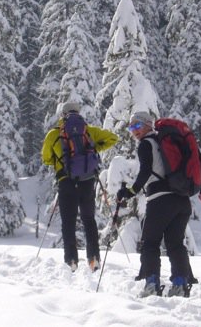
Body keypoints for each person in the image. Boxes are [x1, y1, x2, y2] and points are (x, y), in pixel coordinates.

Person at [117, 111, 194, 297]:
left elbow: (145, 172)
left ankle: (151, 285)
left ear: (148, 125)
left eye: (137, 125)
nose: (134, 131)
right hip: (181, 200)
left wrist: (130, 191)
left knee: (150, 243)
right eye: (131, 127)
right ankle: (180, 285)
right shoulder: (165, 142)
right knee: (175, 244)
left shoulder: (146, 144)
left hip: (160, 200)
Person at [41, 101, 118, 272]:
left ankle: (71, 261)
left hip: (66, 182)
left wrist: (58, 161)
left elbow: (46, 158)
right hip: (87, 181)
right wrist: (94, 149)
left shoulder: (54, 134)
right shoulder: (89, 131)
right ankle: (93, 258)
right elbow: (113, 138)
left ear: (62, 115)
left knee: (68, 222)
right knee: (89, 220)